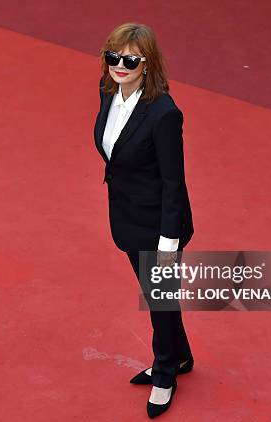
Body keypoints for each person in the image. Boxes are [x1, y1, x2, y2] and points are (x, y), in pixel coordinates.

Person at [93, 22, 195, 418]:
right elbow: (114, 152)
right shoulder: (107, 92)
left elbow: (174, 182)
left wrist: (169, 242)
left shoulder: (164, 113)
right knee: (162, 299)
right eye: (112, 56)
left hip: (158, 225)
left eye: (130, 59)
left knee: (159, 300)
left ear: (148, 63)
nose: (120, 65)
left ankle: (166, 372)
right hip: (127, 215)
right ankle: (181, 355)